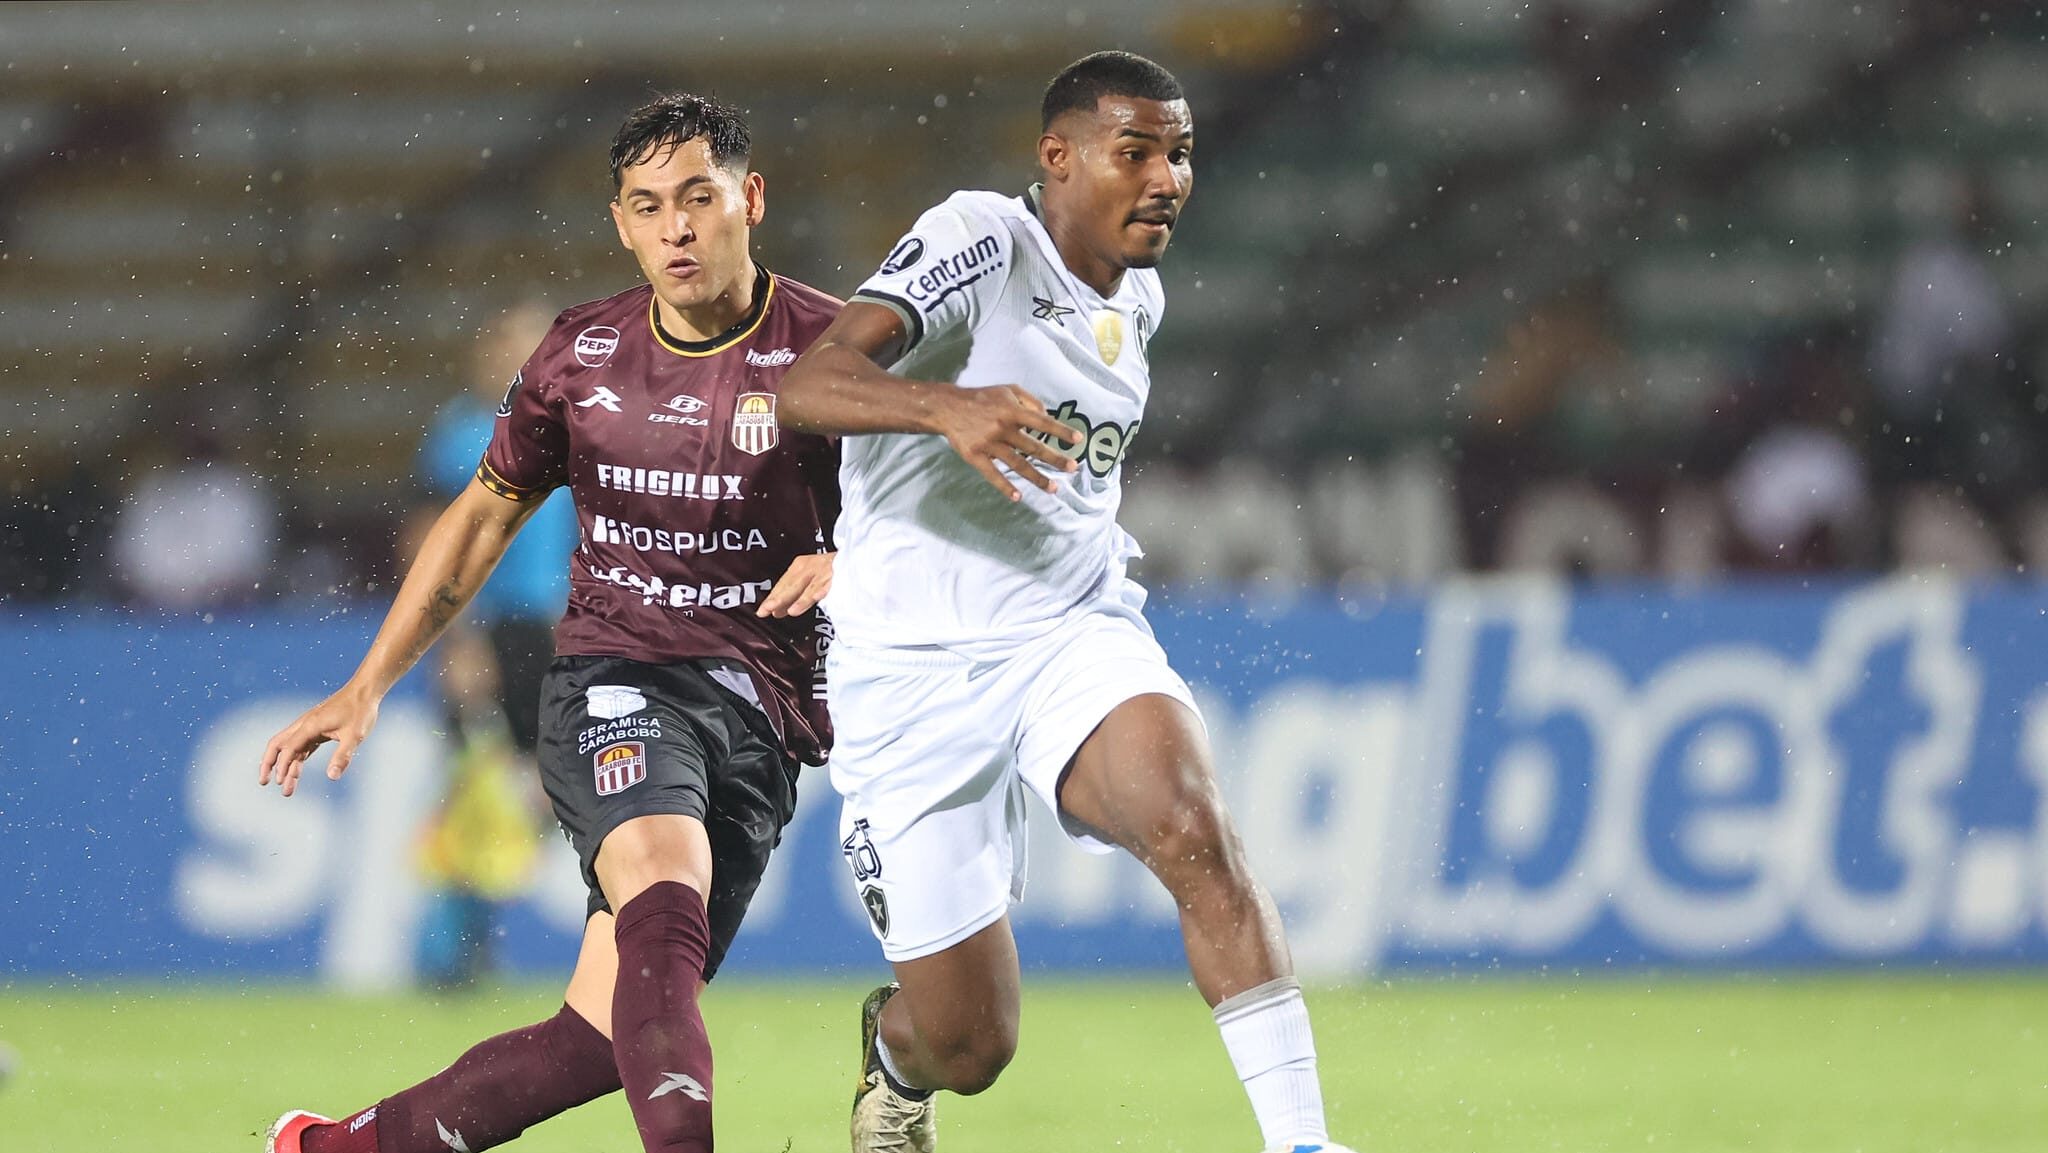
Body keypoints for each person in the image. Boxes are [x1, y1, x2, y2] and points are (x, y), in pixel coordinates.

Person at [778, 51, 1352, 1153]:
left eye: (1179, 154)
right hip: (908, 670)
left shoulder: (1139, 295)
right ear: (1058, 157)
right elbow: (806, 384)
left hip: (1065, 629)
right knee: (969, 1044)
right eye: (1135, 152)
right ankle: (894, 1060)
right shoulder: (982, 239)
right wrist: (944, 407)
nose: (1167, 179)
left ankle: (1302, 1141)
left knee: (1193, 828)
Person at [256, 92, 841, 1153]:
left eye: (698, 198)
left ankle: (328, 1148)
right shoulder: (582, 354)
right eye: (647, 206)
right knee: (660, 877)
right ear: (620, 223)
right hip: (615, 679)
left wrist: (855, 554)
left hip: (762, 717)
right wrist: (369, 682)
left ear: (750, 199)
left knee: (598, 1034)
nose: (676, 228)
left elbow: (933, 519)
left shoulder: (836, 351)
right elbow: (479, 519)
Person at [410, 301, 572, 987]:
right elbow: (428, 539)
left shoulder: (573, 427)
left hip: (552, 629)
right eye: (512, 346)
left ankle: (475, 934)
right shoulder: (460, 435)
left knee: (547, 788)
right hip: (487, 627)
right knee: (473, 786)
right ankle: (447, 948)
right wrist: (456, 635)